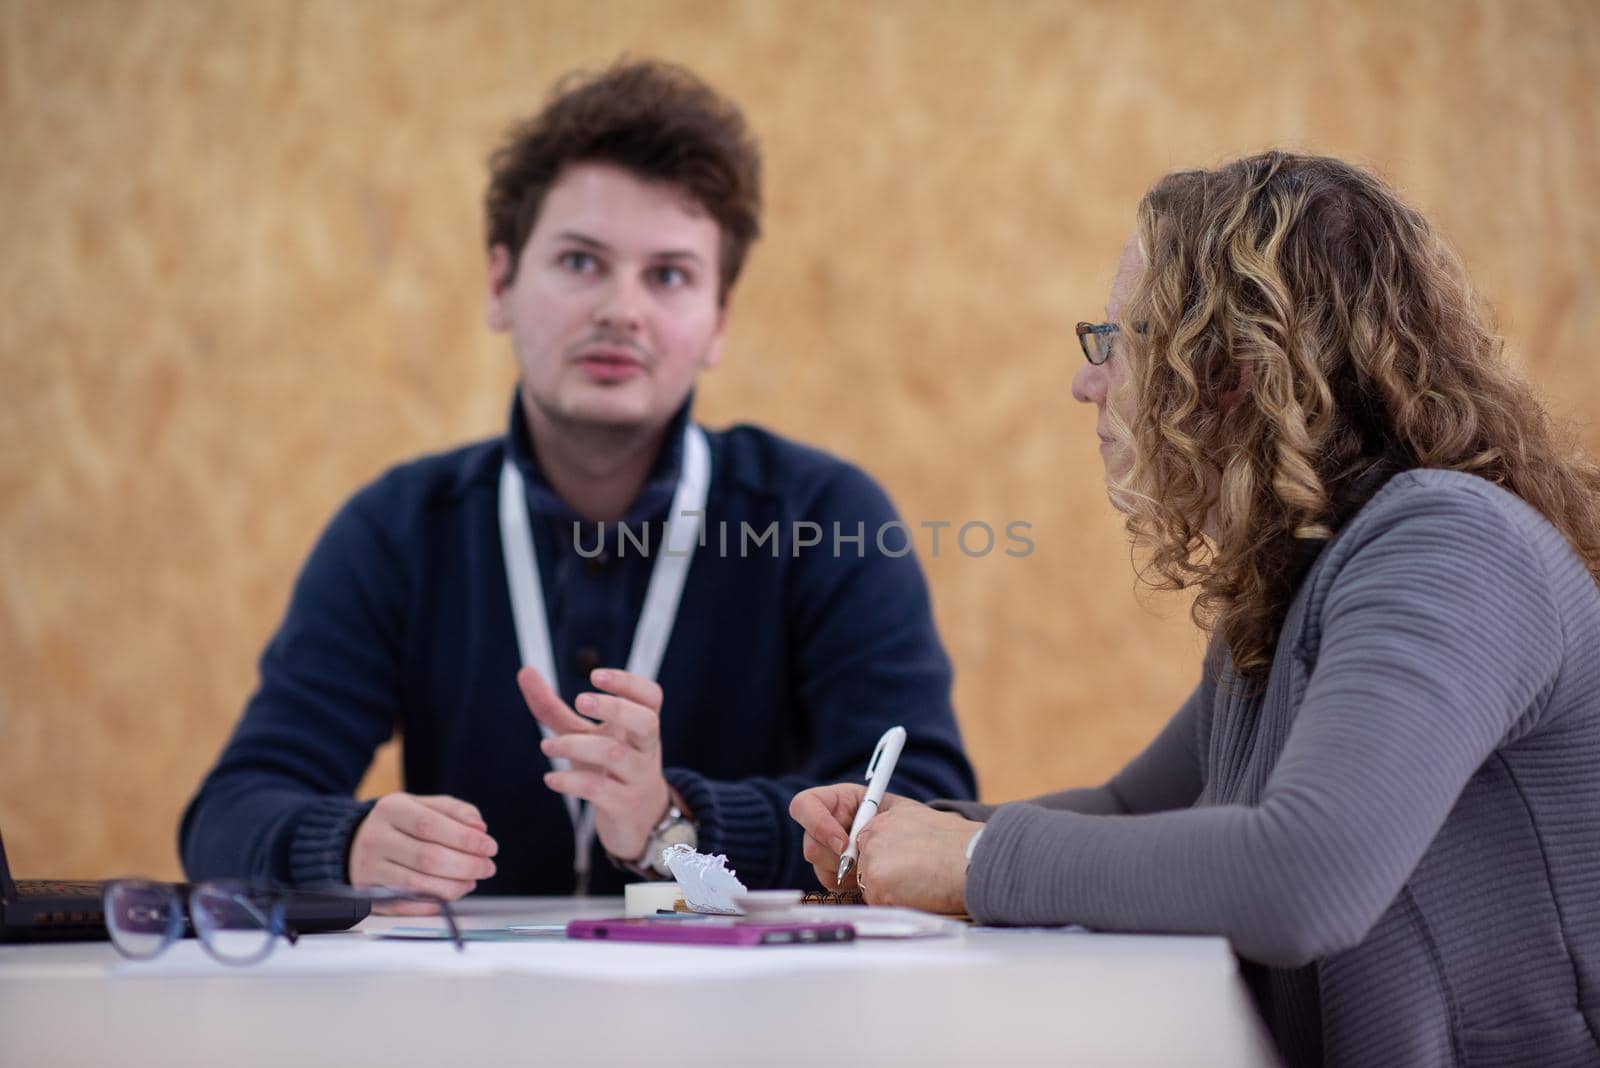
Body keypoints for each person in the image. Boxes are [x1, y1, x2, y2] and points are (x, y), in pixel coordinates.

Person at [792, 152, 1600, 1066]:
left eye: (1116, 339)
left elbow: (1305, 877)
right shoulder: (1299, 569)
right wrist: (901, 832)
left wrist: (972, 864)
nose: (1087, 383)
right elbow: (1129, 809)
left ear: (1233, 367)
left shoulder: (1451, 546)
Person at [181, 59, 974, 906]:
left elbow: (923, 806)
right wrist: (340, 844)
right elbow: (229, 813)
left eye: (668, 275)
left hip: (748, 1022)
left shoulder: (824, 515)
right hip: (476, 1023)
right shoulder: (400, 529)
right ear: (500, 284)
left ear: (718, 324)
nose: (620, 310)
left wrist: (677, 822)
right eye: (580, 261)